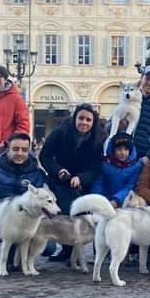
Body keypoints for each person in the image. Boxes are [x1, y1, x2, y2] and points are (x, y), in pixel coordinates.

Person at [41, 103, 103, 262]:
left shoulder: (99, 138)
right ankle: (66, 249)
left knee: (81, 214)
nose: (84, 122)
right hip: (60, 180)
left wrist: (81, 177)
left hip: (84, 182)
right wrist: (59, 170)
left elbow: (96, 167)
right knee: (65, 211)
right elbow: (45, 156)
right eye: (81, 118)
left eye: (88, 120)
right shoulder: (59, 133)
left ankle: (77, 253)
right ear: (75, 118)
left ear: (93, 122)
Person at [92, 132, 144, 208]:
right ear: (113, 150)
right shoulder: (105, 164)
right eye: (119, 149)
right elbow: (98, 182)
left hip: (123, 201)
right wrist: (99, 197)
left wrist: (117, 200)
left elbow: (130, 186)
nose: (123, 152)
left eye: (126, 149)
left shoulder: (135, 166)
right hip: (103, 200)